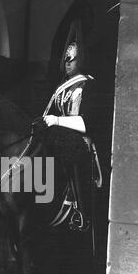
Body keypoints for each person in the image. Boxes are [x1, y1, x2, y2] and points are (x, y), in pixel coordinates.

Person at [42, 41, 101, 231]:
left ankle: (80, 212)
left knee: (70, 148)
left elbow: (86, 123)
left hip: (80, 140)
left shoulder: (88, 84)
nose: (67, 63)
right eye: (65, 59)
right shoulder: (61, 88)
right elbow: (47, 116)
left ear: (81, 59)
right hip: (58, 135)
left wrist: (57, 121)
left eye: (71, 59)